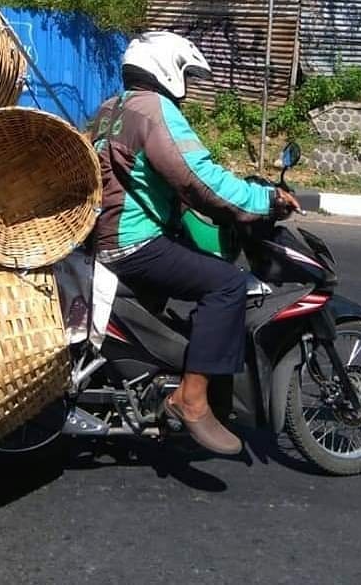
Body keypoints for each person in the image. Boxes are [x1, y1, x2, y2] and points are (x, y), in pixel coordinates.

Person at [89, 31, 300, 455]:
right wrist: (265, 199)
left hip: (106, 236)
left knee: (195, 263)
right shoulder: (154, 109)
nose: (186, 86)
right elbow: (196, 177)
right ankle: (192, 397)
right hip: (133, 243)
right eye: (186, 72)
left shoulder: (111, 108)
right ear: (167, 68)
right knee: (227, 285)